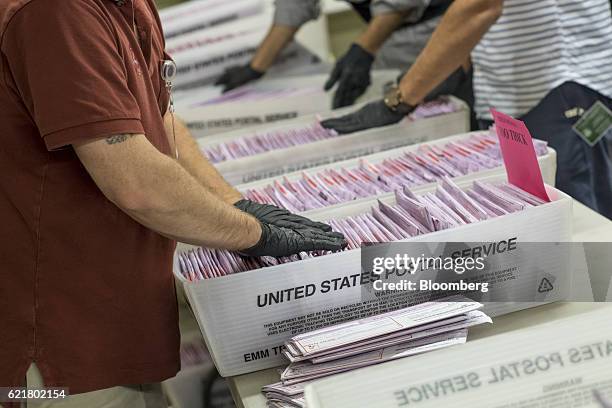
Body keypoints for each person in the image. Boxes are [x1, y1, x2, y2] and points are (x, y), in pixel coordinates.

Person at [0, 0, 345, 407]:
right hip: (62, 334)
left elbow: (157, 115)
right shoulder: (55, 12)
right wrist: (253, 234)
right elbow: (137, 182)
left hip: (119, 305)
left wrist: (234, 203)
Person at [321, 0, 612, 219]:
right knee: (538, 217)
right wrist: (453, 66)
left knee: (576, 228)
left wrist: (400, 99)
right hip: (518, 89)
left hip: (565, 84)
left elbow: (479, 5)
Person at [215, 0, 475, 111]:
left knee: (443, 104)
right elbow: (293, 6)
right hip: (390, 32)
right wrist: (256, 68)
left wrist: (364, 48)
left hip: (439, 23)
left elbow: (402, 4)